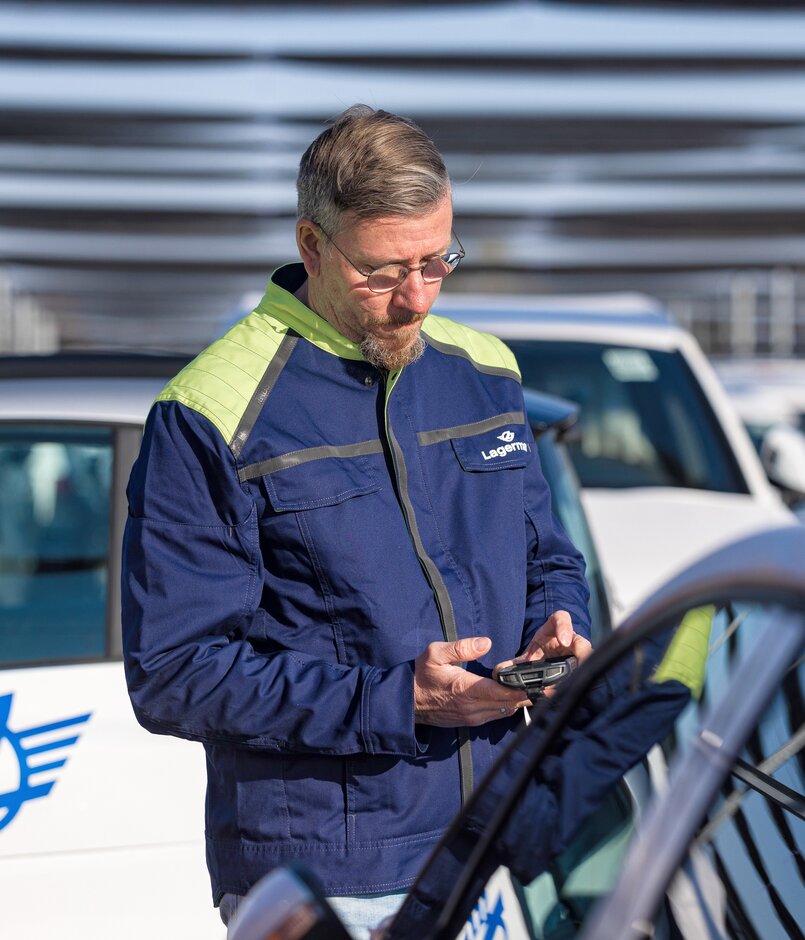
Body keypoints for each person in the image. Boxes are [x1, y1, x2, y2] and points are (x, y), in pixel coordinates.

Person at [121, 104, 592, 939]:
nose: (414, 298)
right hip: (329, 877)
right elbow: (173, 672)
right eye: (383, 272)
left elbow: (546, 557)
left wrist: (559, 627)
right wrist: (397, 700)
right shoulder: (211, 412)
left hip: (495, 847)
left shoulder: (485, 372)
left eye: (437, 260)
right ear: (312, 245)